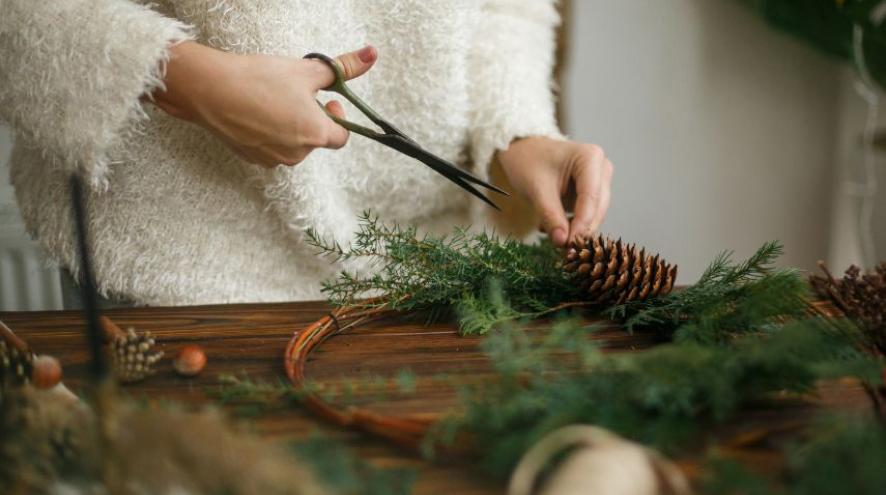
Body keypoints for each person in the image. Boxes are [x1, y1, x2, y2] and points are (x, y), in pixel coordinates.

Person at [0, 0, 613, 306]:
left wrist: (521, 133)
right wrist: (181, 78)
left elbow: (511, 10)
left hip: (428, 275)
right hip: (181, 263)